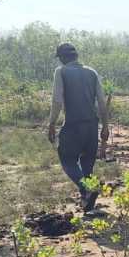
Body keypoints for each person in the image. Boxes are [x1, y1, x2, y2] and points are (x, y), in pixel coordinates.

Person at [48, 42, 110, 212]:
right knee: (87, 163)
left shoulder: (61, 72)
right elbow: (102, 103)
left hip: (73, 125)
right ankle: (87, 203)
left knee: (67, 160)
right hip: (92, 126)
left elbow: (57, 101)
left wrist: (51, 123)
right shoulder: (91, 72)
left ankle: (86, 190)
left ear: (61, 58)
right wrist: (105, 126)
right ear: (76, 56)